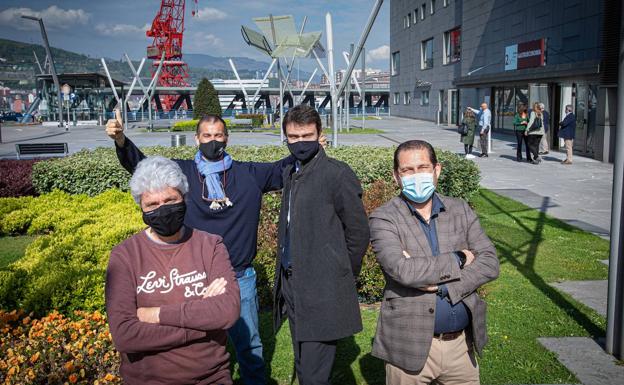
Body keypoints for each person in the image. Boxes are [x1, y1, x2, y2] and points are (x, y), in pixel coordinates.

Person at [106, 110, 313, 385]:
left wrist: (308, 144)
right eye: (207, 135)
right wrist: (121, 140)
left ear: (226, 138)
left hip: (239, 277)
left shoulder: (248, 174)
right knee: (198, 347)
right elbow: (143, 168)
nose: (212, 141)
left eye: (218, 135)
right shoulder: (182, 174)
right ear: (196, 139)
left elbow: (284, 167)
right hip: (193, 276)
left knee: (250, 348)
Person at [369, 140, 499, 385]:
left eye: (423, 167)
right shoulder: (383, 218)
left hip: (461, 347)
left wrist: (444, 287)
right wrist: (459, 258)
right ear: (396, 176)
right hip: (409, 348)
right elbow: (404, 271)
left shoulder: (460, 210)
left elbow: (490, 262)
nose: (416, 175)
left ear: (436, 170)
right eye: (407, 170)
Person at [106, 156, 241, 384]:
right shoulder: (125, 256)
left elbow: (227, 312)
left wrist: (155, 314)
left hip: (210, 377)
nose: (162, 210)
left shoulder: (210, 246)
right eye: (152, 205)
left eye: (170, 200)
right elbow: (125, 335)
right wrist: (202, 323)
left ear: (184, 199)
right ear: (141, 207)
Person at [273, 104, 370, 385]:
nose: (300, 143)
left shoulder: (337, 174)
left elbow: (358, 232)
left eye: (307, 136)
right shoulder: (293, 171)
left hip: (322, 287)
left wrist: (340, 273)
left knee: (314, 374)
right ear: (286, 138)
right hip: (294, 286)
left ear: (319, 134)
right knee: (305, 365)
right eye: (293, 137)